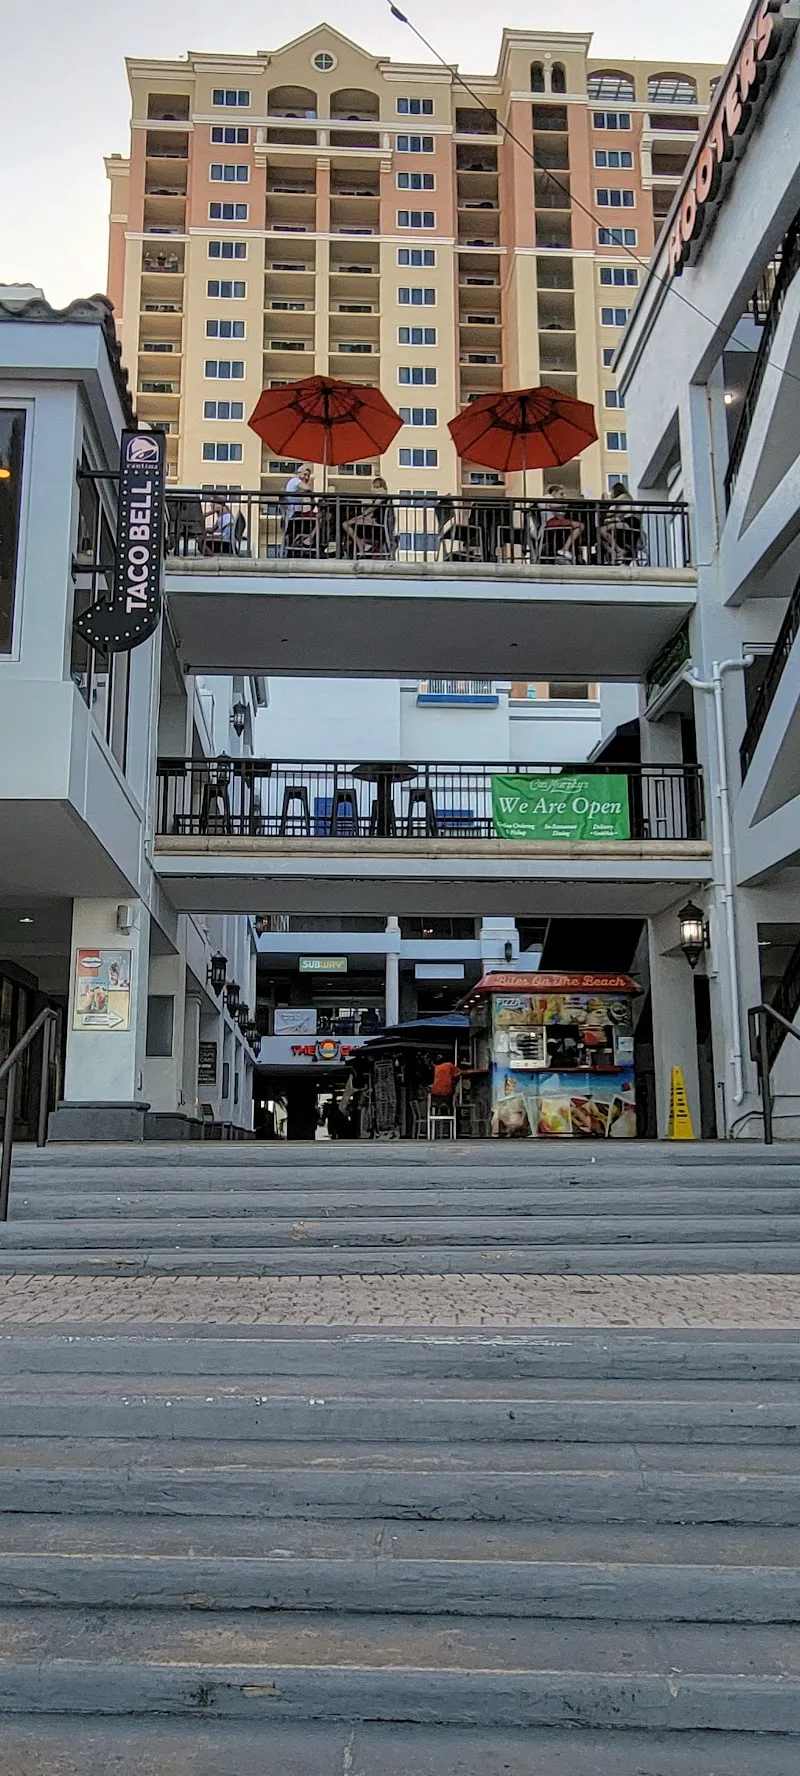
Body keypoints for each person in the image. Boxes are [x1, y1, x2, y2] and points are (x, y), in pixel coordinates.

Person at [344, 476, 395, 558]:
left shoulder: (381, 495)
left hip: (378, 529)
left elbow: (373, 508)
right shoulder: (385, 497)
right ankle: (362, 546)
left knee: (346, 525)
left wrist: (361, 516)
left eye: (373, 487)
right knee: (349, 527)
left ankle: (361, 548)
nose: (372, 490)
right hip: (381, 529)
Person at [598, 482, 643, 565]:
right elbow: (612, 513)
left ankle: (619, 551)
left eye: (611, 492)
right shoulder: (621, 500)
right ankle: (616, 553)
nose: (611, 494)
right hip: (624, 522)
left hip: (631, 522)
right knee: (601, 537)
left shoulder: (625, 496)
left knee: (603, 530)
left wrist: (605, 499)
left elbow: (612, 508)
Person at [539, 483, 584, 562]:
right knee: (580, 526)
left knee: (578, 525)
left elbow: (559, 516)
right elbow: (552, 505)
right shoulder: (548, 497)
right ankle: (565, 549)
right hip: (549, 522)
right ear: (554, 492)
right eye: (561, 494)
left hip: (552, 521)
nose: (563, 496)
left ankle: (566, 549)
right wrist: (566, 503)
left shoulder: (552, 500)